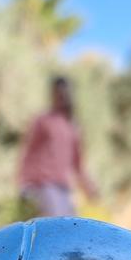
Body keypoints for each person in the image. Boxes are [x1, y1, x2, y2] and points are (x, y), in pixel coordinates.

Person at [18, 76, 98, 217]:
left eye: (65, 93)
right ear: (53, 95)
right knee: (54, 225)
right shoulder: (43, 121)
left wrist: (88, 186)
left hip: (64, 187)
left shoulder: (73, 127)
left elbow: (78, 164)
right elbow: (28, 153)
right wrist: (24, 184)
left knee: (72, 226)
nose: (62, 97)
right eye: (58, 93)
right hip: (44, 184)